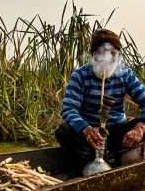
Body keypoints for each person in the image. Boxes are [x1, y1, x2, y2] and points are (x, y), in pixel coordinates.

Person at [55, 28, 145, 171]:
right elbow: (69, 109)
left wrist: (140, 127)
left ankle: (112, 157)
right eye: (101, 53)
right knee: (63, 131)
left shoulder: (125, 75)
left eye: (113, 54)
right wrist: (86, 129)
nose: (106, 59)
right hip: (90, 136)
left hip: (117, 132)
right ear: (93, 54)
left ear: (118, 55)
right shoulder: (80, 75)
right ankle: (93, 160)